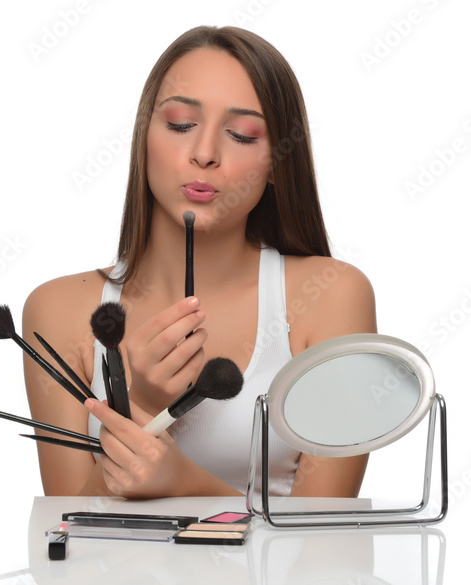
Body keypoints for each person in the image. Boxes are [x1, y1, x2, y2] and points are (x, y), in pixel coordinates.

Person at [22, 26, 376, 499]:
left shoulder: (332, 295)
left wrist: (186, 484)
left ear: (277, 164)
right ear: (144, 138)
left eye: (241, 135)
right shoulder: (58, 309)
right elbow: (62, 543)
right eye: (181, 125)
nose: (204, 154)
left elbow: (325, 545)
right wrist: (143, 403)